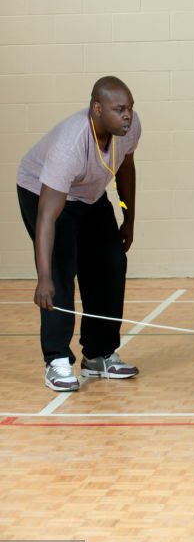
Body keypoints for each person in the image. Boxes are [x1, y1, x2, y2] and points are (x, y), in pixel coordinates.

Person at [16, 76, 141, 392]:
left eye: (130, 108)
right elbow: (47, 216)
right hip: (43, 192)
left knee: (112, 263)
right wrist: (44, 278)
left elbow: (125, 168)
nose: (127, 115)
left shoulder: (128, 129)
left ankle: (99, 355)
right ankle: (56, 360)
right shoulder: (72, 143)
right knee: (61, 269)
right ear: (97, 109)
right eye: (119, 109)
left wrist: (128, 218)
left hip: (89, 194)